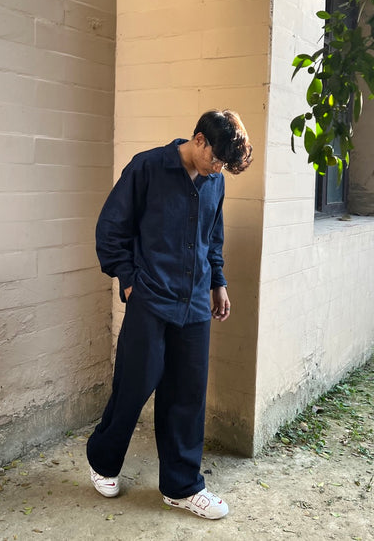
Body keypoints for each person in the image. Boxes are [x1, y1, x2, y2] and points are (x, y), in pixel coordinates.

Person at [87, 109, 253, 520]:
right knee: (133, 386)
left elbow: (212, 237)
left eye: (225, 165)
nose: (218, 169)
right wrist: (129, 280)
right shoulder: (147, 168)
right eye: (216, 158)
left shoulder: (214, 182)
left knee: (187, 396)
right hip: (150, 299)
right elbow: (111, 228)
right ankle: (103, 461)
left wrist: (218, 282)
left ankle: (181, 487)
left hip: (194, 304)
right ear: (199, 140)